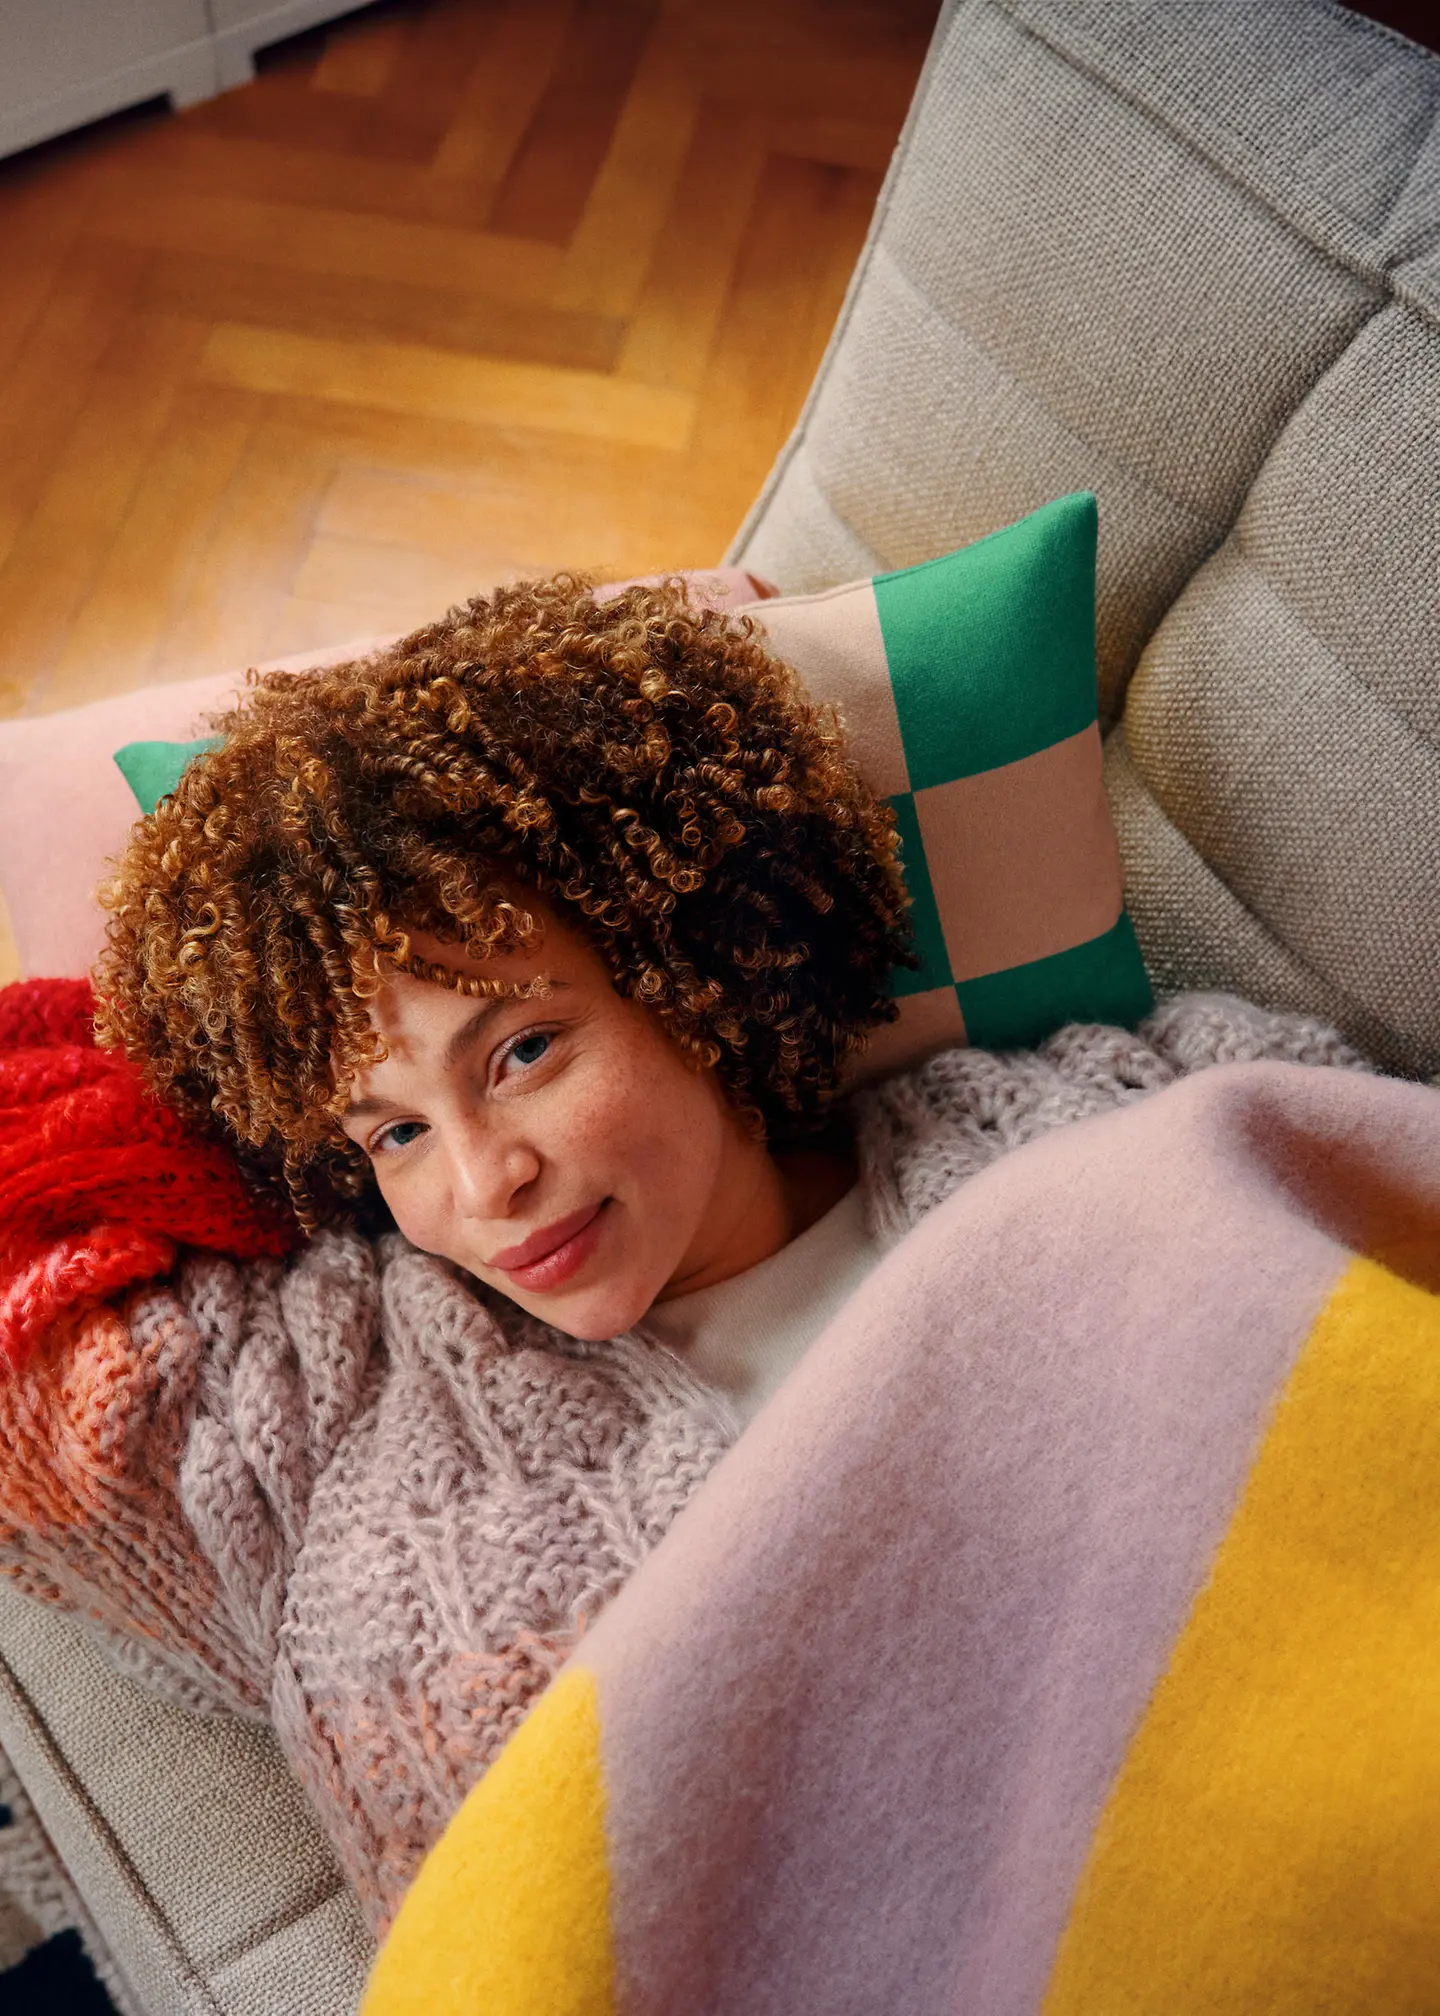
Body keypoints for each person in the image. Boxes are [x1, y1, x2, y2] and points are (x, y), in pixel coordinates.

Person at [6, 575, 1365, 1936]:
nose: (487, 1183)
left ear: (698, 970)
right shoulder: (332, 1389)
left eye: (524, 1052)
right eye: (395, 1134)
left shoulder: (1093, 1125)